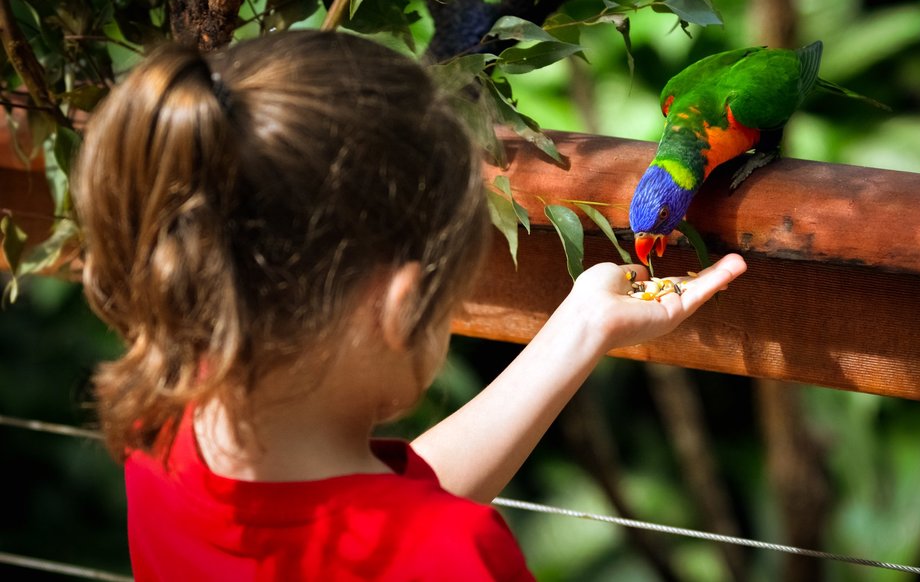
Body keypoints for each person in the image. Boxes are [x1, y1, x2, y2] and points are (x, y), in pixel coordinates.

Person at [72, 30, 746, 581]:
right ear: (401, 305)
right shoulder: (457, 557)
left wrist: (581, 329)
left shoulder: (169, 427)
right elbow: (413, 539)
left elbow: (369, 519)